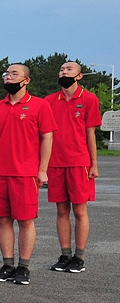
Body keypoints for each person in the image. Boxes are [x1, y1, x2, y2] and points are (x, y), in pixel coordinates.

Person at [0, 64, 56, 286]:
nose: (9, 77)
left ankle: (23, 267)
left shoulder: (39, 105)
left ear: (26, 81)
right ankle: (7, 264)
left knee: (25, 221)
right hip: (0, 173)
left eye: (14, 74)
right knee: (3, 219)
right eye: (7, 74)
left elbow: (47, 137)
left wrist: (42, 169)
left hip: (26, 173)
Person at [46, 61, 101, 274]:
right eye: (61, 69)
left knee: (79, 210)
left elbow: (91, 134)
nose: (64, 72)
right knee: (61, 210)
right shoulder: (50, 101)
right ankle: (65, 254)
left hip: (79, 163)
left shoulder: (89, 99)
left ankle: (79, 257)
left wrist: (94, 164)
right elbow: (45, 135)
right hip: (55, 163)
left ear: (79, 76)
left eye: (69, 70)